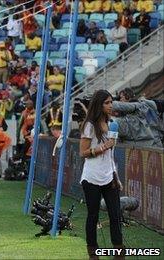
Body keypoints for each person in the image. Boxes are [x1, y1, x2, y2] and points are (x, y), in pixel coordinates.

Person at [79, 89, 124, 259]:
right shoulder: (89, 125)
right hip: (91, 177)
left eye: (111, 102)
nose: (111, 105)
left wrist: (116, 177)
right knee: (93, 215)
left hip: (109, 176)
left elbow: (111, 156)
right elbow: (82, 152)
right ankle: (93, 252)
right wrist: (102, 147)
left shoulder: (113, 123)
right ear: (99, 104)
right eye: (107, 102)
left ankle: (119, 252)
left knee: (115, 215)